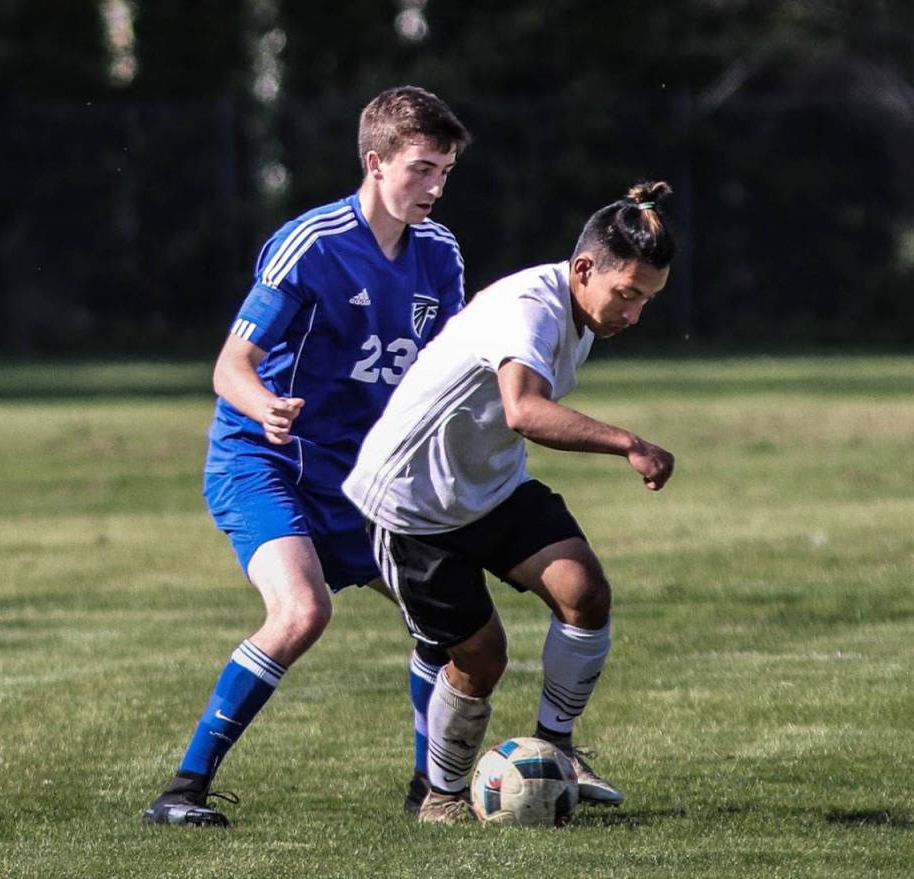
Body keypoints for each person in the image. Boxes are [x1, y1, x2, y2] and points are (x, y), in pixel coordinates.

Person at [142, 86, 471, 827]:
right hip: (265, 462)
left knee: (447, 621)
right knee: (301, 610)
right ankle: (183, 789)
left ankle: (432, 791)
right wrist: (267, 407)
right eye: (421, 169)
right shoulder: (313, 243)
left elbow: (449, 367)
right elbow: (231, 365)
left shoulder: (440, 252)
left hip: (368, 479)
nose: (435, 187)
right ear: (375, 161)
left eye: (445, 172)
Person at [343, 181, 678, 823]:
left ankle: (556, 746)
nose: (634, 314)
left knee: (584, 591)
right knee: (482, 656)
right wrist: (628, 443)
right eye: (628, 294)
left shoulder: (580, 313)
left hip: (489, 488)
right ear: (584, 269)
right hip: (411, 505)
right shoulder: (531, 306)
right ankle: (439, 797)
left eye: (647, 300)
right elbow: (524, 410)